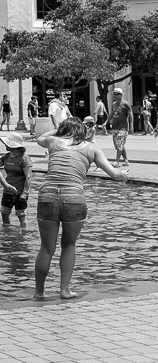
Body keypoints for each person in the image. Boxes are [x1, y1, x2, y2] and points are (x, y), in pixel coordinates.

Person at [32, 117, 128, 300]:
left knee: (46, 248)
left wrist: (59, 131)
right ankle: (64, 290)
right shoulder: (92, 149)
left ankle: (38, 292)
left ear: (62, 130)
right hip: (74, 197)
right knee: (69, 244)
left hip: (48, 195)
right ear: (83, 131)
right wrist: (123, 176)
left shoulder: (54, 141)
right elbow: (114, 174)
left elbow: (40, 137)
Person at [0, 133, 32, 226]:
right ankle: (7, 235)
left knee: (21, 215)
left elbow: (28, 176)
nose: (5, 145)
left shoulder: (24, 158)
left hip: (20, 192)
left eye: (6, 143)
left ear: (12, 145)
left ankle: (22, 234)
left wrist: (25, 192)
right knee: (4, 213)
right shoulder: (6, 156)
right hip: (8, 190)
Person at [105, 88, 132, 167]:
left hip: (123, 127)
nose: (115, 96)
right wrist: (106, 122)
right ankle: (126, 160)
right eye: (114, 94)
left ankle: (117, 161)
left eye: (117, 94)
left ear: (121, 95)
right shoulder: (114, 104)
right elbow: (112, 114)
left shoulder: (125, 104)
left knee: (119, 144)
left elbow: (131, 115)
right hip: (115, 127)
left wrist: (131, 126)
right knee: (119, 145)